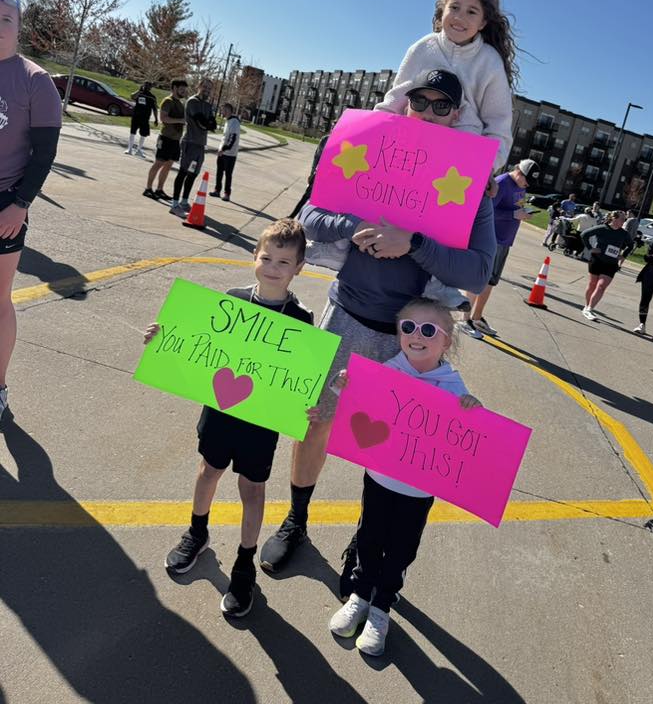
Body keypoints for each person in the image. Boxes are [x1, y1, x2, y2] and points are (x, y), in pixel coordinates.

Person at [258, 75, 497, 576]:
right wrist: (353, 226)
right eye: (421, 101)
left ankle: (365, 547)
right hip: (345, 314)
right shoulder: (372, 148)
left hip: (409, 340)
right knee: (314, 420)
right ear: (407, 105)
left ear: (456, 115)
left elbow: (477, 271)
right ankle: (296, 519)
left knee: (391, 448)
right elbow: (311, 216)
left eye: (442, 104)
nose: (429, 111)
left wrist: (414, 244)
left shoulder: (471, 180)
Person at [142, 219, 312, 618]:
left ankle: (243, 563)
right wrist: (162, 340)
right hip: (220, 411)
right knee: (207, 472)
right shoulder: (231, 302)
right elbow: (198, 346)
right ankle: (197, 533)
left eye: (284, 262)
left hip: (261, 424)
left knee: (252, 491)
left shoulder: (302, 321)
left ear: (298, 268)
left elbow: (304, 378)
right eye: (266, 257)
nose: (272, 267)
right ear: (255, 256)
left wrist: (314, 400)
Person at [320, 298, 482, 656]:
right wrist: (343, 384)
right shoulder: (386, 369)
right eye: (407, 327)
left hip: (420, 489)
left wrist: (473, 410)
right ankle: (360, 596)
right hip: (378, 478)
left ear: (446, 340)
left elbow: (466, 434)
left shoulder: (453, 385)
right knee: (368, 537)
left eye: (428, 330)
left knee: (401, 548)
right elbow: (352, 405)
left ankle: (381, 608)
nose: (415, 336)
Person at [376, 0, 517, 170]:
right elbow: (395, 100)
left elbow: (498, 127)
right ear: (443, 10)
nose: (460, 17)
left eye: (471, 12)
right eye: (455, 7)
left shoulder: (490, 63)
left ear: (483, 22)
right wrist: (368, 131)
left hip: (458, 165)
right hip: (408, 155)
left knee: (484, 202)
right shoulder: (423, 48)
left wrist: (484, 170)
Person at [0, 0, 62, 421]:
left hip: (5, 201)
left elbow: (45, 154)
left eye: (6, 19)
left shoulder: (35, 81)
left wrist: (20, 204)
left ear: (20, 30)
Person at [460, 158, 539, 339]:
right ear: (519, 172)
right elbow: (486, 209)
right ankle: (465, 319)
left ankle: (477, 317)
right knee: (478, 279)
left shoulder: (520, 186)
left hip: (504, 240)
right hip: (491, 238)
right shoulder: (502, 182)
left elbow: (513, 207)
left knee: (491, 281)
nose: (527, 185)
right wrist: (513, 214)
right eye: (526, 181)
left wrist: (522, 213)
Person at [169, 77, 217, 217]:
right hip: (190, 142)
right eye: (205, 87)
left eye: (209, 88)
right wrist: (207, 122)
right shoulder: (192, 102)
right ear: (199, 86)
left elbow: (212, 125)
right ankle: (174, 204)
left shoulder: (208, 106)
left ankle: (184, 201)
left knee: (193, 174)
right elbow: (202, 122)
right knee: (183, 172)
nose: (207, 90)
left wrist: (208, 122)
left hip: (201, 144)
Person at [580, 210, 634, 321]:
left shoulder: (624, 233)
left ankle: (589, 309)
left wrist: (623, 255)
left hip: (611, 264)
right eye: (622, 219)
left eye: (625, 219)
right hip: (597, 260)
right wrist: (591, 248)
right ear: (614, 218)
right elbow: (584, 235)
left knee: (601, 286)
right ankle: (586, 306)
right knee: (592, 284)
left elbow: (630, 245)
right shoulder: (602, 228)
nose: (624, 221)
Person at [143, 79, 188, 199]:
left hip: (175, 140)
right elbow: (163, 118)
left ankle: (159, 189)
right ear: (174, 88)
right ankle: (148, 189)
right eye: (181, 89)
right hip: (166, 138)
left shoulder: (180, 103)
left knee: (168, 165)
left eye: (185, 89)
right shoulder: (168, 101)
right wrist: (180, 120)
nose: (183, 91)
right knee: (158, 163)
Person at [210, 103, 241, 201]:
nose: (221, 112)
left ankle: (227, 194)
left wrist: (224, 149)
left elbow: (232, 138)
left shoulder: (234, 122)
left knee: (228, 174)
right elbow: (225, 137)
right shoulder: (228, 121)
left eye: (223, 110)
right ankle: (217, 190)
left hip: (230, 154)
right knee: (219, 173)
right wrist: (220, 149)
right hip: (222, 153)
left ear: (227, 110)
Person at [126, 82, 158, 158]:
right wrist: (139, 91)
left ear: (151, 88)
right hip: (136, 116)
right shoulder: (139, 93)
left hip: (145, 118)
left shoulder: (152, 97)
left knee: (143, 134)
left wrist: (156, 119)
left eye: (148, 86)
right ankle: (129, 149)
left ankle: (139, 150)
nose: (147, 87)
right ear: (143, 86)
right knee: (132, 132)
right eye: (145, 85)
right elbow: (132, 97)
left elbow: (155, 109)